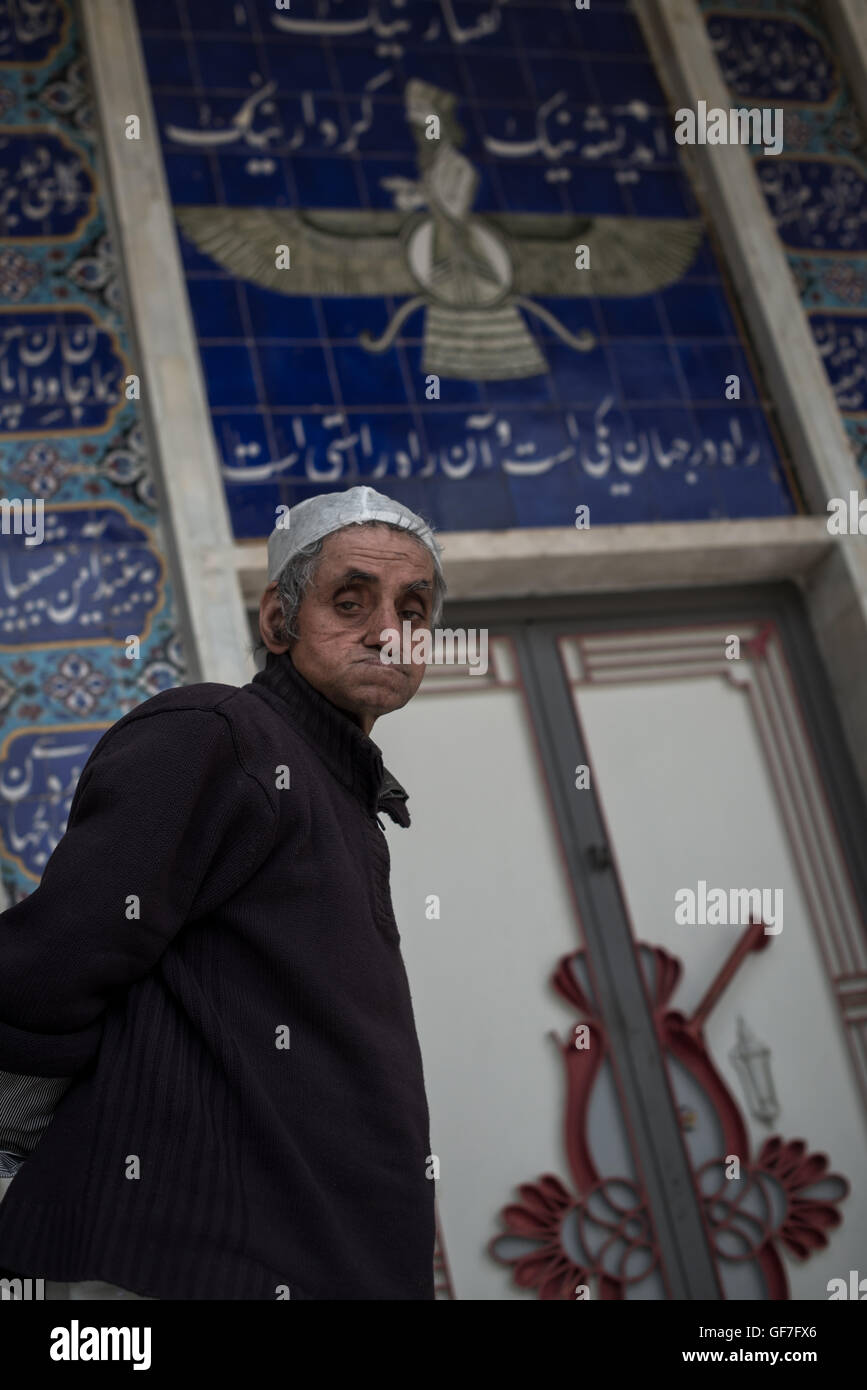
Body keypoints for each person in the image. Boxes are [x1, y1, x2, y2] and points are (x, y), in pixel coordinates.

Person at [0, 485, 446, 1300]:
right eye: (350, 601)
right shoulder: (218, 735)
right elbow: (59, 958)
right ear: (277, 621)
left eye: (413, 609)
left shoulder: (342, 789)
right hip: (187, 1264)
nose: (389, 631)